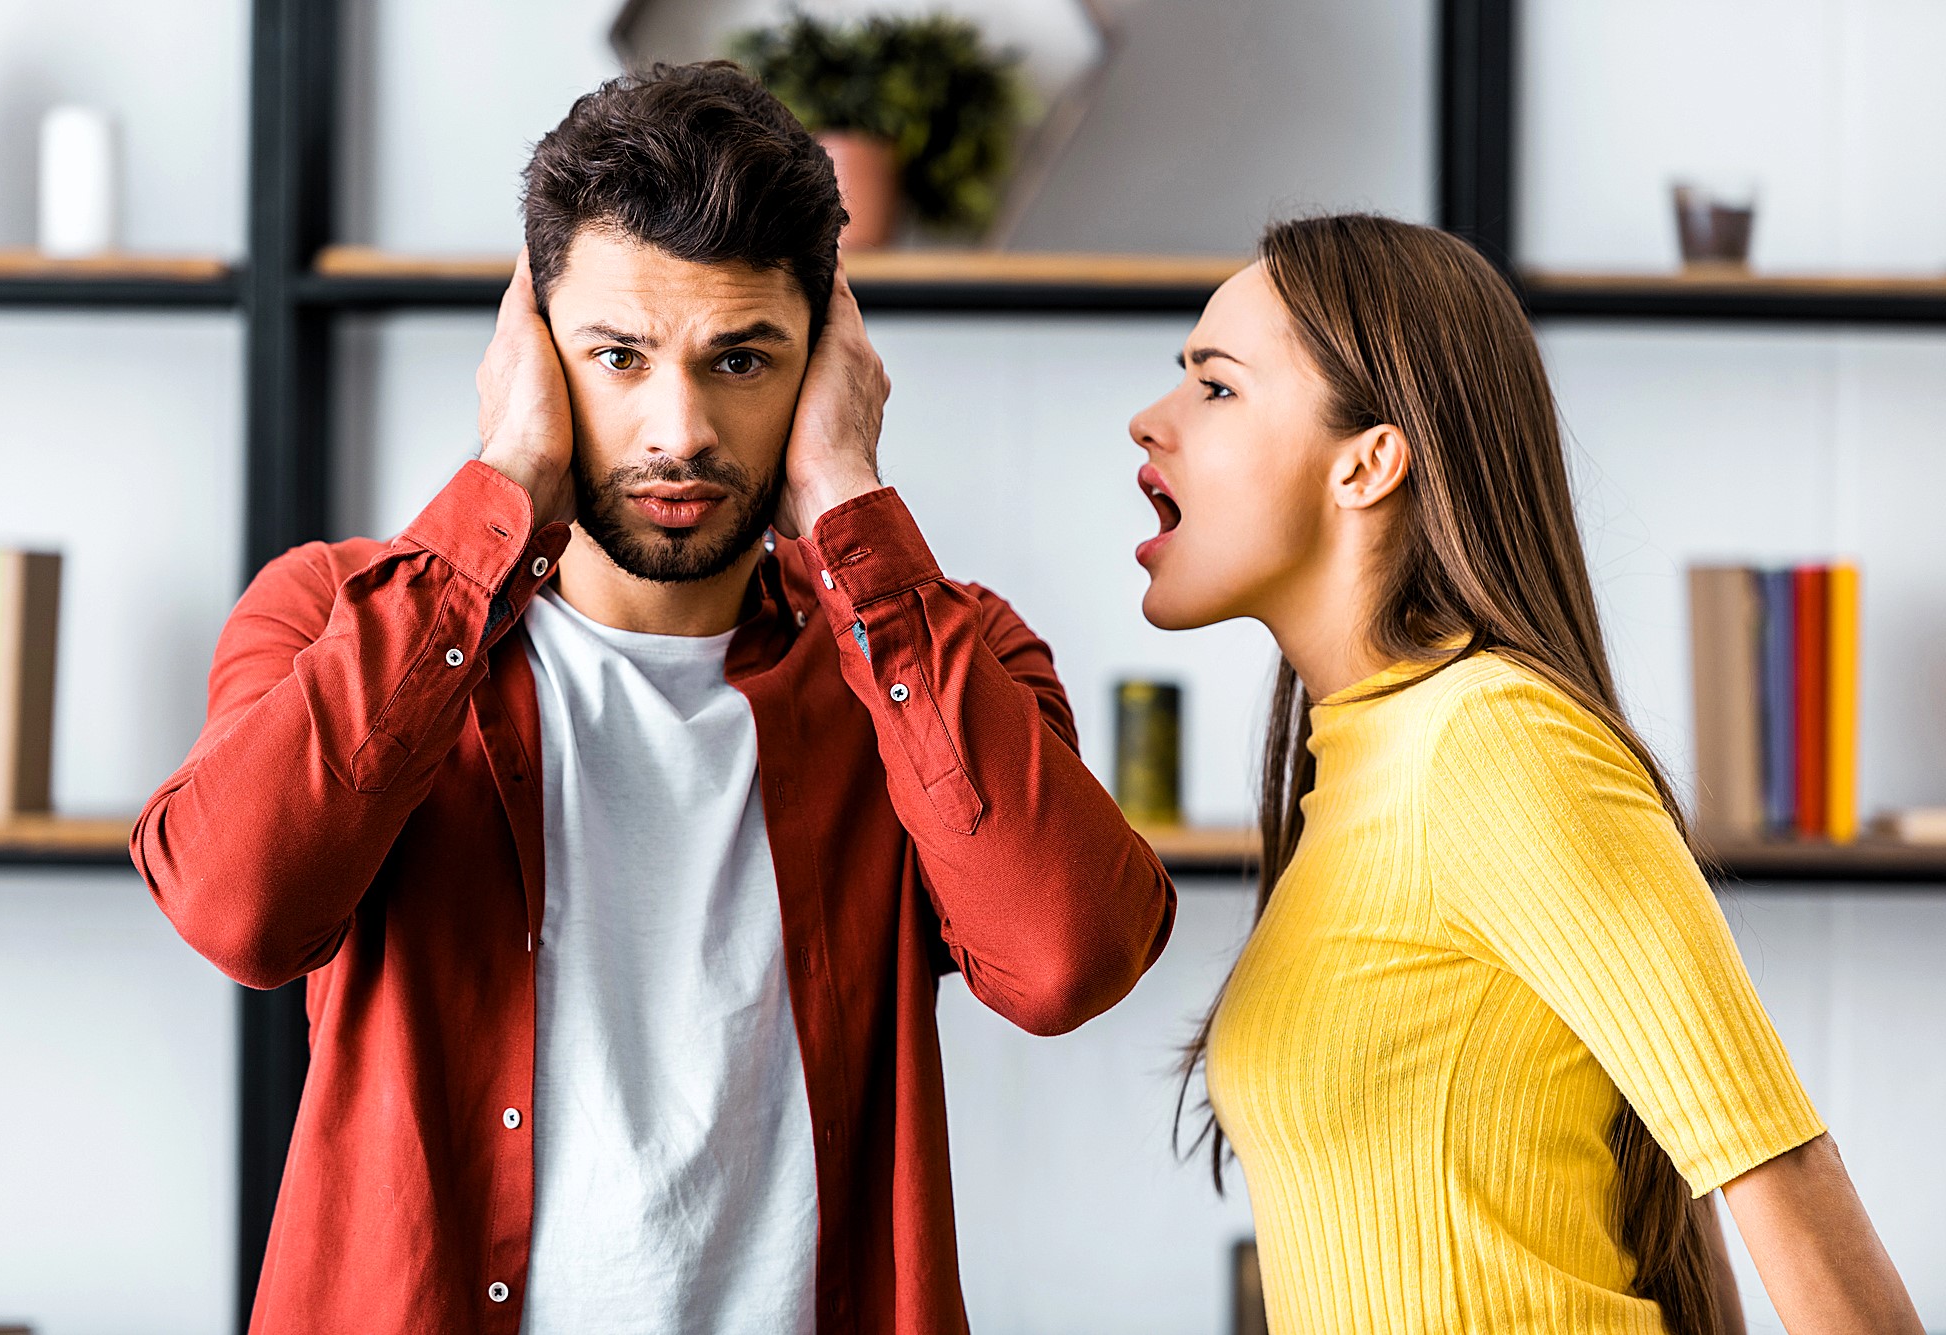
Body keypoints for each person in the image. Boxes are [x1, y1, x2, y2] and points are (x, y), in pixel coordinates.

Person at [132, 63, 1174, 1335]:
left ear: (825, 366)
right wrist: (500, 487)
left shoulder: (928, 658)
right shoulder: (333, 619)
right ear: (529, 349)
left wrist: (848, 502)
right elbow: (241, 910)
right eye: (616, 356)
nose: (677, 428)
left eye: (741, 359)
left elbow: (1066, 960)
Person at [1134, 214, 1918, 1334]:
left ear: (1367, 461)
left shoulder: (1493, 740)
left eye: (1214, 389)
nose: (1148, 421)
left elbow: (1775, 1174)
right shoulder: (1363, 758)